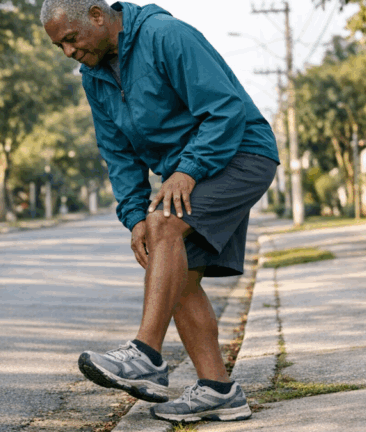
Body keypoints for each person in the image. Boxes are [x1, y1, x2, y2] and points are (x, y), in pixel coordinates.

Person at [40, 0, 279, 423]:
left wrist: (188, 170)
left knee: (164, 223)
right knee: (175, 271)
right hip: (195, 167)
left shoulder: (165, 36)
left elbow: (224, 109)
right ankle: (219, 390)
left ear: (97, 15)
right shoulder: (94, 77)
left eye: (71, 39)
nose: (69, 52)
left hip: (241, 152)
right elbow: (118, 154)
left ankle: (145, 355)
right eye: (60, 46)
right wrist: (135, 217)